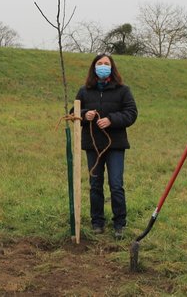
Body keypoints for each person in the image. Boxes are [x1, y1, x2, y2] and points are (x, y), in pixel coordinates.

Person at [74, 53, 138, 239]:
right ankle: (97, 222)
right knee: (95, 184)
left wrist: (111, 120)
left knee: (116, 184)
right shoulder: (84, 91)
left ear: (112, 67)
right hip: (92, 145)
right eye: (99, 63)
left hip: (115, 145)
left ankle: (119, 224)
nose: (103, 66)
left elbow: (131, 113)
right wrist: (85, 115)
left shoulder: (123, 90)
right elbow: (73, 112)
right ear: (94, 68)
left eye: (106, 63)